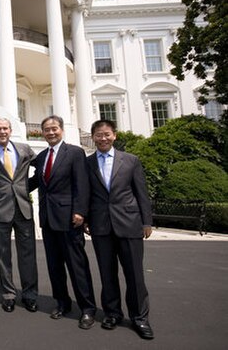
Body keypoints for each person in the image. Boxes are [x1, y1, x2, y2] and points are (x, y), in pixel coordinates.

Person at [86, 119, 154, 340]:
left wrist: (146, 222)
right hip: (101, 226)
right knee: (107, 274)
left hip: (129, 223)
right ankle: (112, 313)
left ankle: (139, 318)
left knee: (134, 274)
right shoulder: (87, 163)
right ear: (93, 137)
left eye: (106, 134)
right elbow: (86, 194)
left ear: (114, 135)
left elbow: (141, 192)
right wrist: (86, 218)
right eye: (98, 135)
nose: (103, 138)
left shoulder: (131, 160)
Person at [29, 115, 96, 329]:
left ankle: (87, 309)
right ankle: (62, 303)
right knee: (54, 266)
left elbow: (82, 184)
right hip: (48, 220)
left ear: (61, 130)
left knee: (77, 266)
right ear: (42, 132)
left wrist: (80, 212)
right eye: (46, 129)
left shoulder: (75, 153)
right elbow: (32, 183)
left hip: (70, 219)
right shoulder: (40, 157)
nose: (50, 132)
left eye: (54, 128)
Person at [0, 117, 39, 313]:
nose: (2, 131)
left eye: (5, 128)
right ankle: (8, 295)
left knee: (28, 254)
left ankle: (30, 295)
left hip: (23, 208)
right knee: (2, 255)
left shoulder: (25, 149)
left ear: (11, 130)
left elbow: (41, 171)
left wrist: (24, 189)